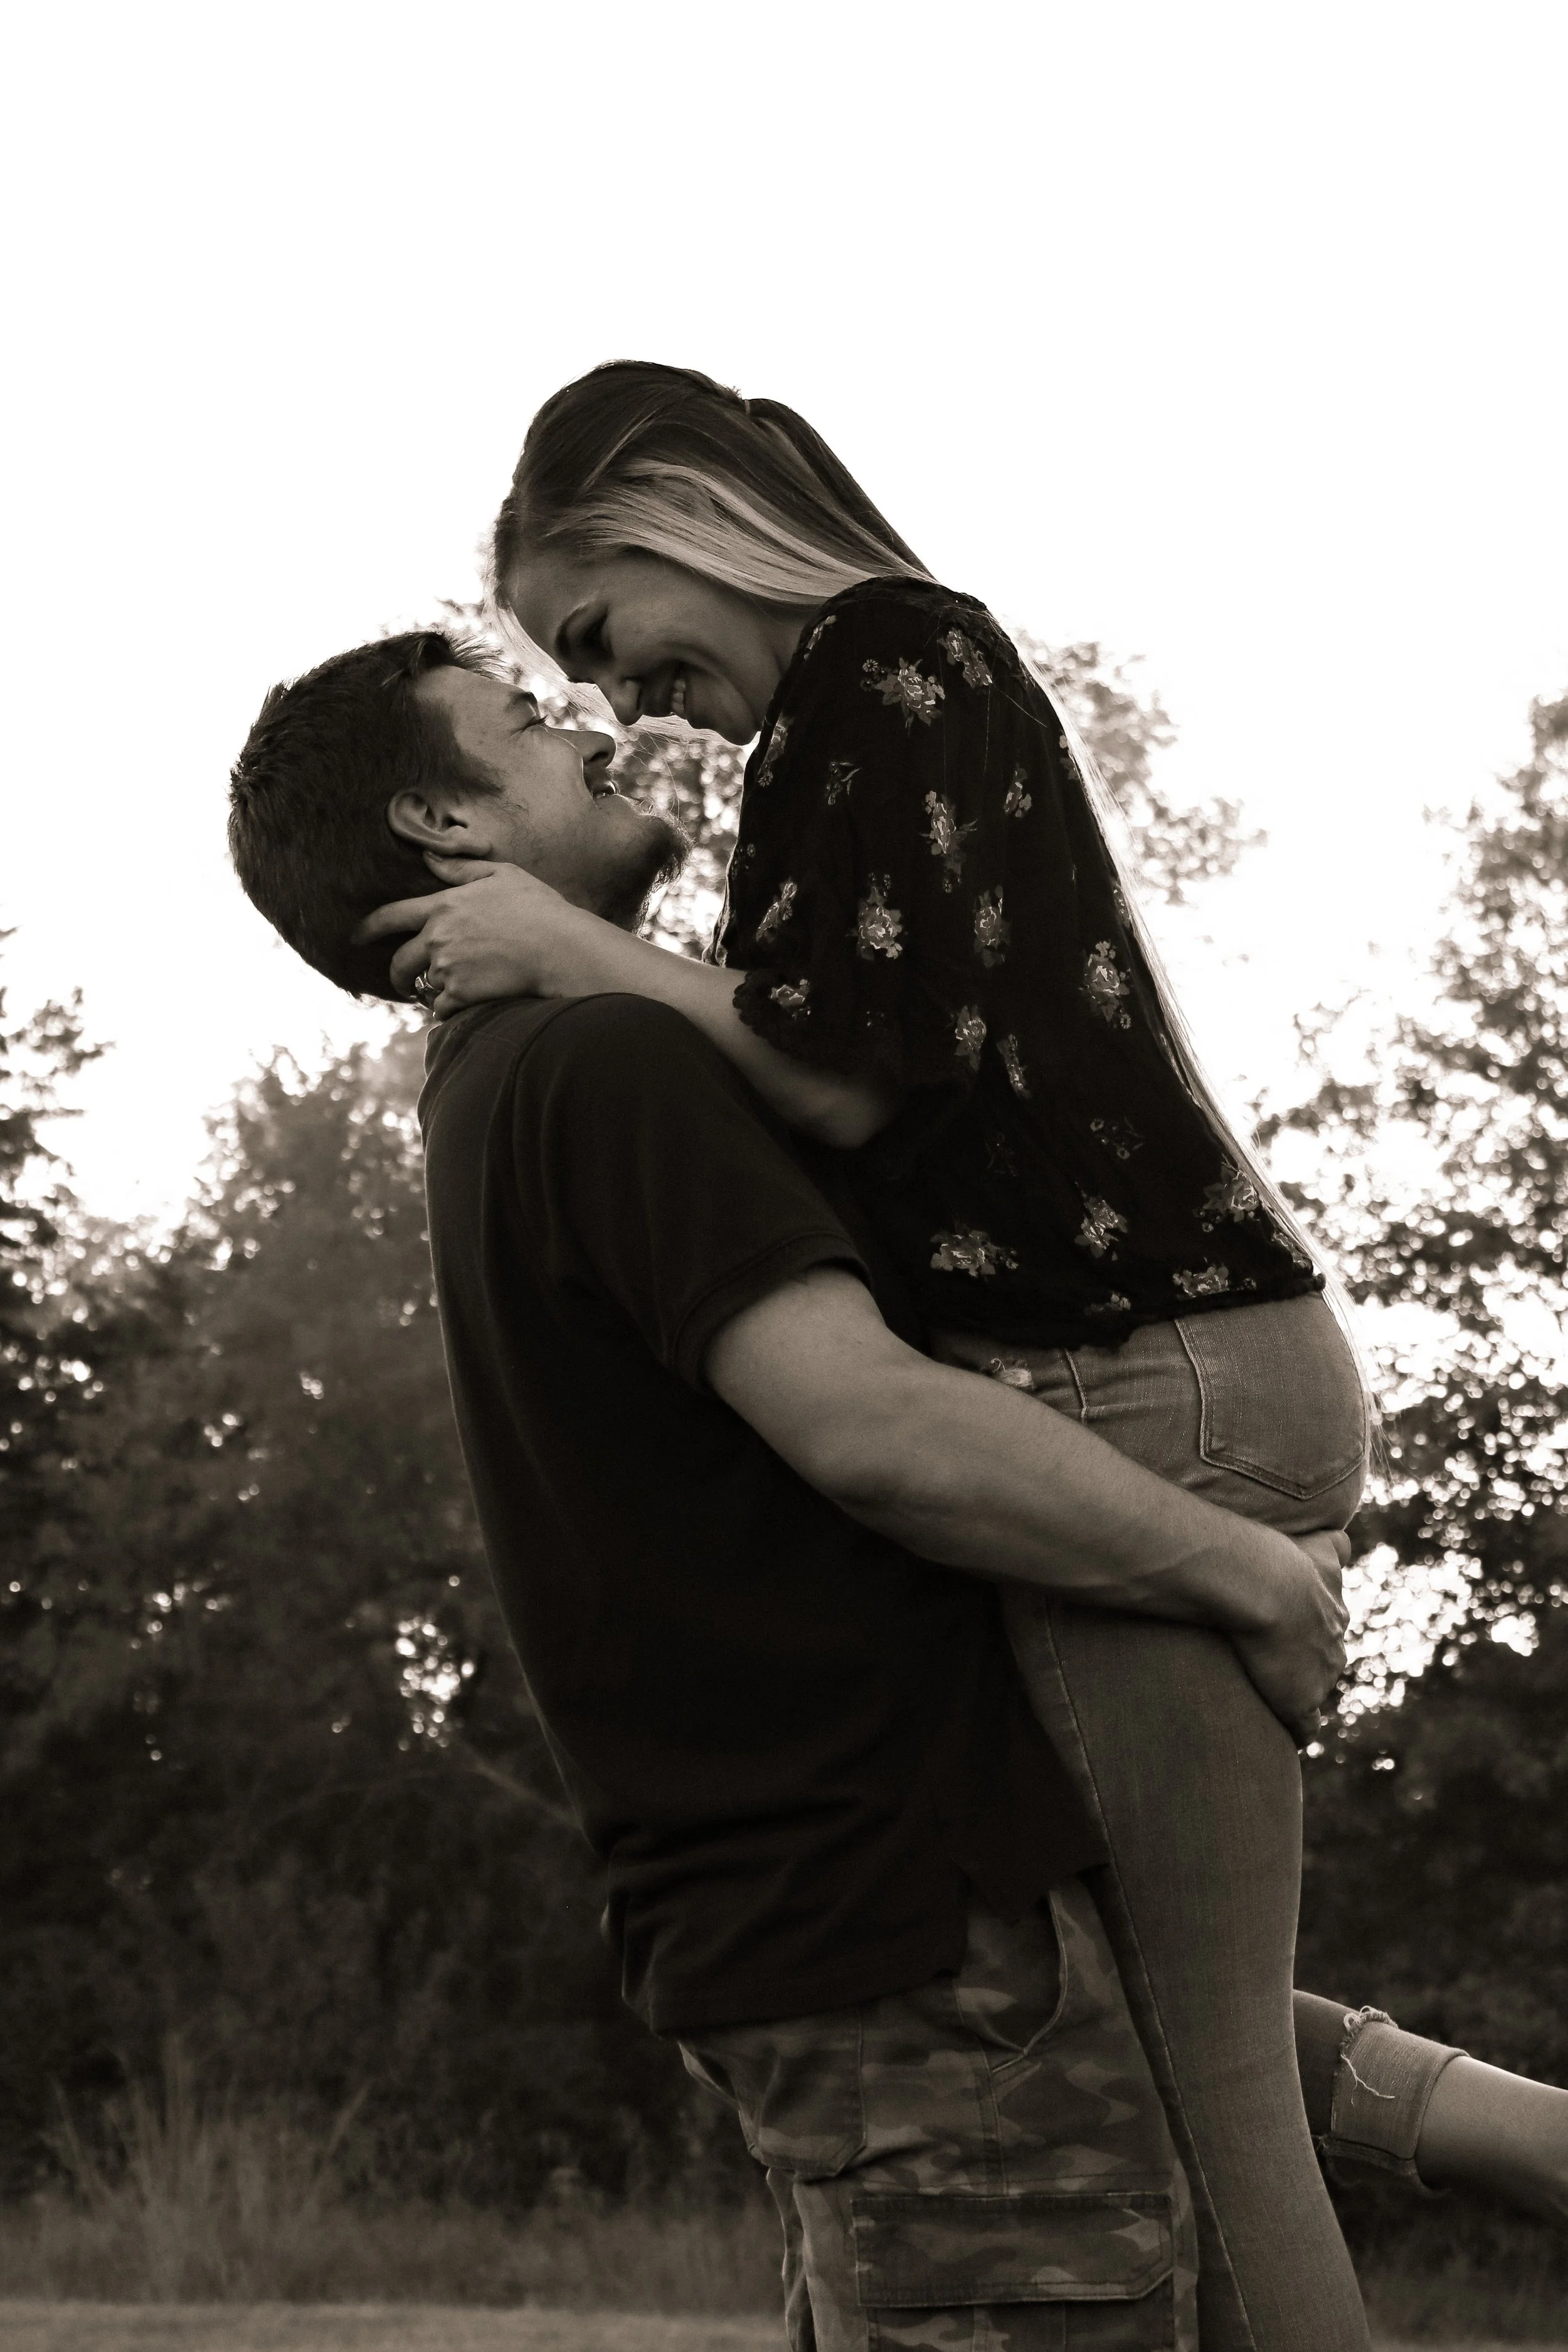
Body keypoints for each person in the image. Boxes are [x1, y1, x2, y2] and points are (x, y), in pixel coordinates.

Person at [352, 365, 1568, 2343]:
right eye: (563, 684)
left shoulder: (888, 665)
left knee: (1211, 2096)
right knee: (1151, 1990)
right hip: (1127, 1370)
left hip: (1144, 1374)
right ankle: (1530, 2142)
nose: (626, 698)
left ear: (666, 510)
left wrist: (579, 950)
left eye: (596, 636)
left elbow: (838, 1075)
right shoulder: (850, 712)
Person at [229, 627, 1385, 2352]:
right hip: (907, 1935)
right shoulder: (595, 1064)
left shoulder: (509, 1086)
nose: (595, 729)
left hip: (867, 1937)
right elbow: (870, 1427)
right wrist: (1237, 1571)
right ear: (440, 818)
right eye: (529, 720)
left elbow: (1206, 2022)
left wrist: (1491, 2130)